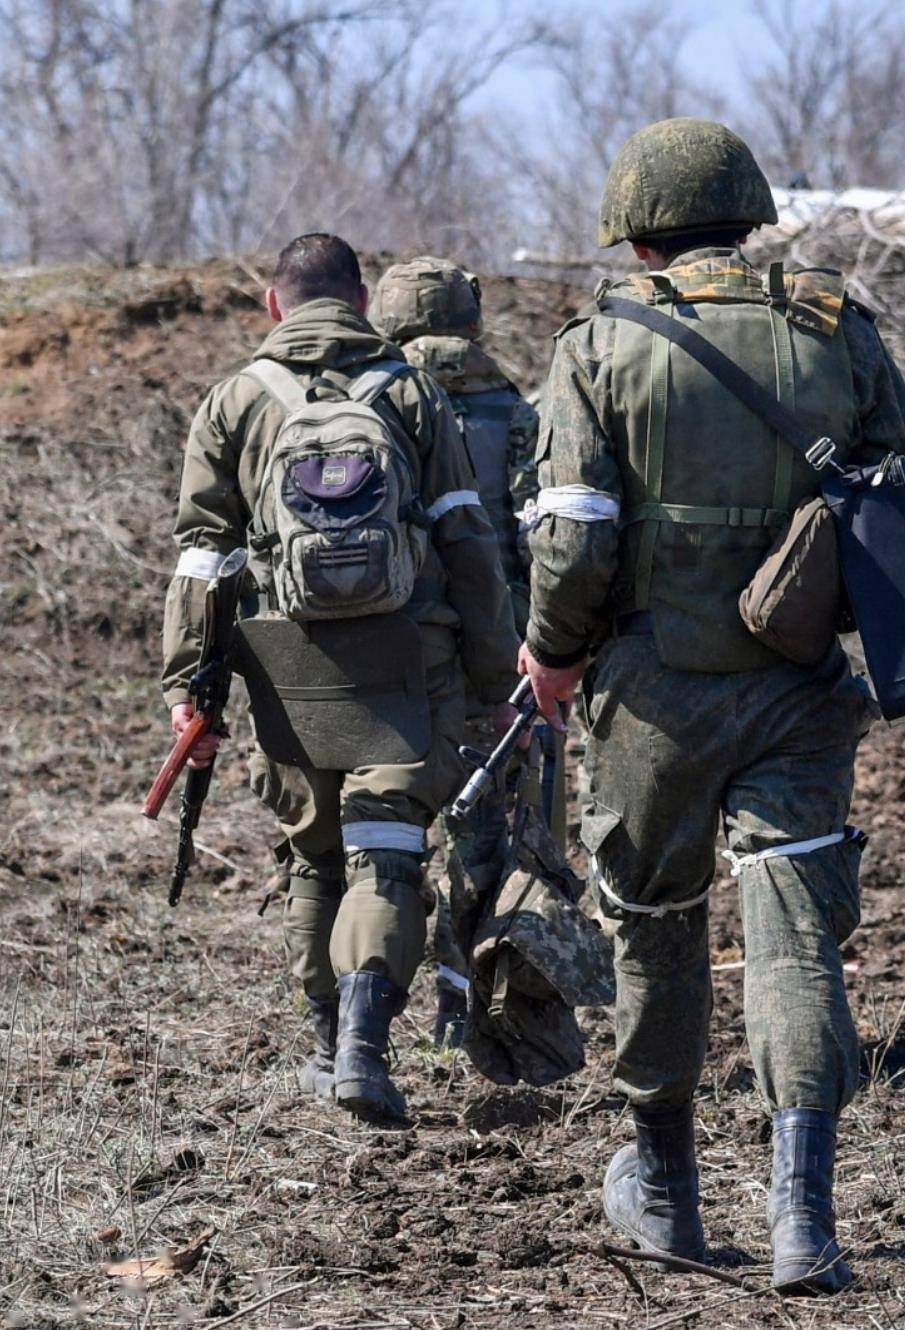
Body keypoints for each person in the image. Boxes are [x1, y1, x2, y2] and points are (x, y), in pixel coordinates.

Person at [519, 118, 905, 1294]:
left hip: (651, 699)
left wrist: (552, 654)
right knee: (796, 940)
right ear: (749, 214)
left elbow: (572, 538)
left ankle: (665, 1193)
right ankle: (804, 1220)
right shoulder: (833, 329)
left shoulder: (598, 344)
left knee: (651, 926)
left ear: (636, 235)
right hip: (799, 694)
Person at [159, 234, 518, 1120]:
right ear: (362, 302)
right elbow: (470, 542)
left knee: (313, 856)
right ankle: (366, 1044)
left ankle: (323, 1047)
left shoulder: (235, 399)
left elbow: (204, 559)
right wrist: (490, 677)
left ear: (273, 306)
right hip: (407, 659)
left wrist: (189, 691)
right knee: (387, 854)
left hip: (285, 663)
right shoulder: (413, 393)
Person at [369, 256, 548, 1046]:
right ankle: (463, 1001)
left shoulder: (361, 402)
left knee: (383, 828)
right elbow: (547, 546)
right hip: (494, 653)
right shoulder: (517, 411)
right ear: (472, 322)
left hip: (384, 652)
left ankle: (363, 1001)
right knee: (488, 833)